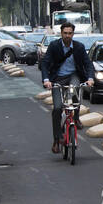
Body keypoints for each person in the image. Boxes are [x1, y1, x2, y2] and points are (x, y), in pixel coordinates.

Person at [41, 23, 95, 154]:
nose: (67, 35)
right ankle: (56, 139)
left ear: (73, 34)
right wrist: (46, 80)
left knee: (75, 89)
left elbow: (88, 64)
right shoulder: (54, 46)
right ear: (61, 33)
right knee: (58, 108)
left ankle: (75, 117)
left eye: (70, 33)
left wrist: (90, 78)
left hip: (73, 76)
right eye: (65, 33)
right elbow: (45, 63)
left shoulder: (79, 47)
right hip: (57, 79)